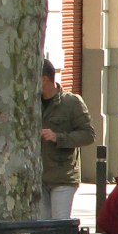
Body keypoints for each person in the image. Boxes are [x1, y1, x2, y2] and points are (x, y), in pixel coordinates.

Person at [39, 59, 95, 220]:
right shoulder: (32, 103)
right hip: (39, 177)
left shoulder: (71, 102)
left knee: (59, 223)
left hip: (63, 176)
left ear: (44, 79)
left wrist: (59, 137)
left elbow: (88, 135)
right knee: (42, 227)